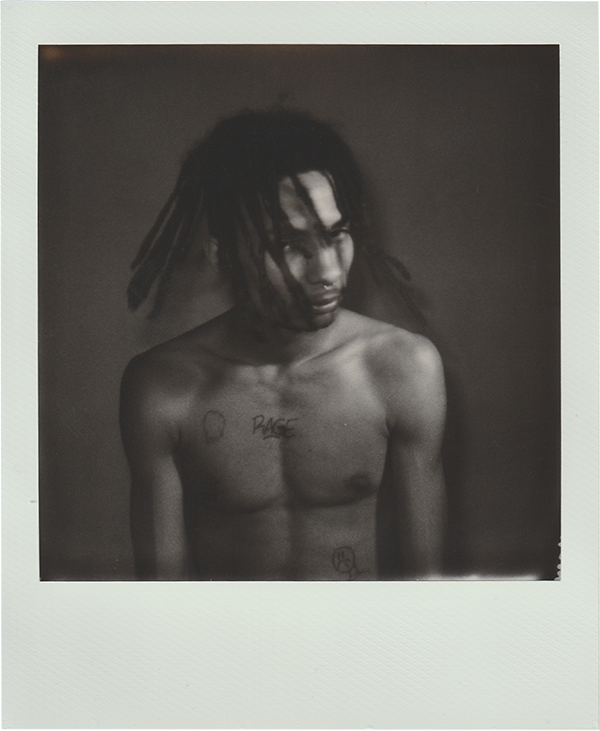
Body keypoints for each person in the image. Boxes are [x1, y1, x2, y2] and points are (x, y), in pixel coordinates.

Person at [120, 109, 447, 580]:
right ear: (223, 255)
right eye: (289, 245)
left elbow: (428, 587)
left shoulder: (403, 368)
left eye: (336, 234)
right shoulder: (162, 387)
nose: (328, 272)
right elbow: (161, 595)